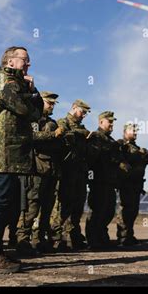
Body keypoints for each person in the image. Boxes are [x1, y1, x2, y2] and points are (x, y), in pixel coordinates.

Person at [0, 46, 43, 273]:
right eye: (25, 60)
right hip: (1, 153)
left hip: (12, 153)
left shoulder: (15, 82)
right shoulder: (2, 79)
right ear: (10, 61)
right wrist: (33, 93)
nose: (28, 64)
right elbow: (28, 111)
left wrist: (31, 93)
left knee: (8, 203)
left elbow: (34, 112)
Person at [16, 91, 63, 256]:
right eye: (49, 103)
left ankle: (39, 240)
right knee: (31, 207)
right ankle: (22, 241)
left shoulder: (53, 122)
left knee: (47, 208)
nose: (51, 106)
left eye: (53, 104)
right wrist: (52, 136)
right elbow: (31, 137)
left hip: (51, 171)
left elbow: (59, 145)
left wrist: (56, 138)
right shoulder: (32, 119)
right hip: (35, 170)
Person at [85, 111, 129, 250]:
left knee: (108, 211)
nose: (112, 124)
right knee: (97, 210)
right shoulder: (95, 137)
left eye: (112, 122)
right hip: (98, 180)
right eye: (109, 122)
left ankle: (102, 237)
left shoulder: (111, 141)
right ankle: (93, 240)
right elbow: (91, 158)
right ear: (101, 122)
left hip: (110, 182)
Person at [56, 99, 91, 250]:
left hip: (80, 173)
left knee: (78, 207)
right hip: (67, 172)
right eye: (82, 112)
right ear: (74, 108)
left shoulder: (82, 128)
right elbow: (64, 135)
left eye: (85, 113)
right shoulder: (63, 122)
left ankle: (73, 237)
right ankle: (58, 239)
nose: (83, 115)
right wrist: (82, 133)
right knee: (64, 207)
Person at [116, 123, 148, 246]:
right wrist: (138, 156)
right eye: (133, 130)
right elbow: (122, 161)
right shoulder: (121, 144)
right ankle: (123, 237)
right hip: (126, 183)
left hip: (136, 184)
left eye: (136, 131)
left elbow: (139, 165)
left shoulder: (136, 147)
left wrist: (146, 157)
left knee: (133, 211)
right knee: (125, 210)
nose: (135, 133)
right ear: (125, 131)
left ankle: (129, 235)